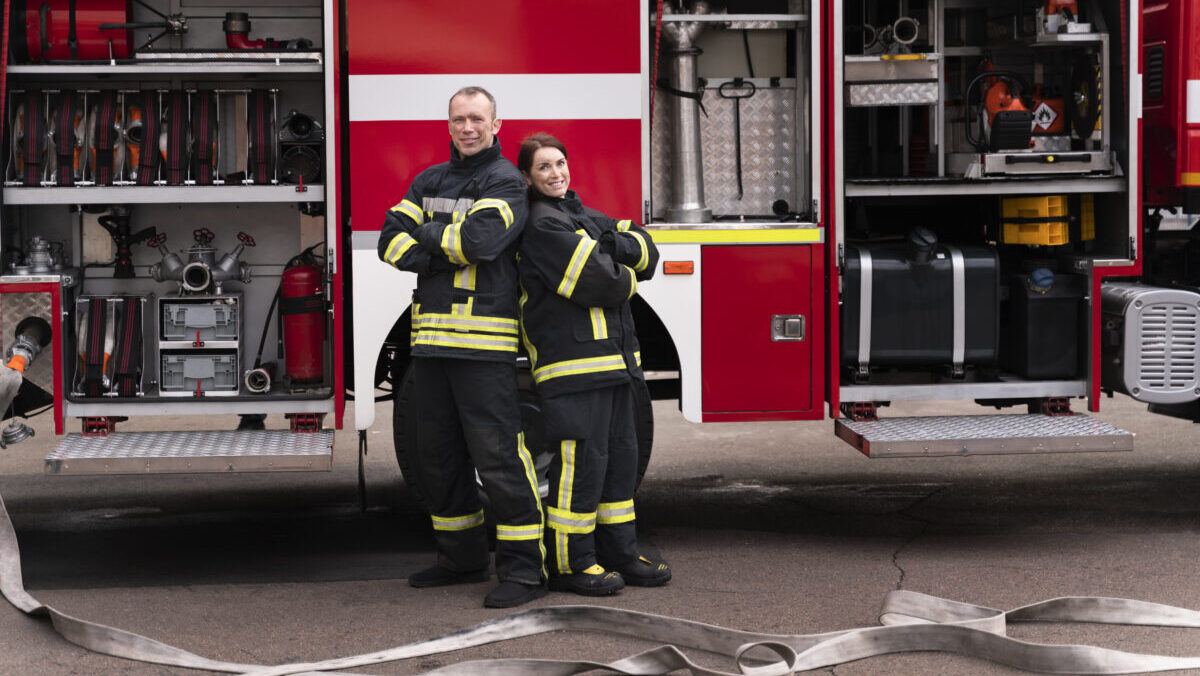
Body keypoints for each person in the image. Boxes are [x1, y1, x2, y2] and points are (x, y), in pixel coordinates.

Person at [377, 87, 545, 609]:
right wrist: (442, 243)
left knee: (498, 459)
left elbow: (481, 242)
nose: (467, 127)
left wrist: (428, 237)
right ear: (448, 125)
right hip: (429, 347)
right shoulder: (429, 179)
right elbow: (389, 241)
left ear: (497, 124)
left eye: (477, 118)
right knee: (436, 457)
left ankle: (522, 571)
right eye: (458, 119)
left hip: (485, 350)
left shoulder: (506, 181)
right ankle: (462, 557)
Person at [515, 132, 670, 596]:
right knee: (580, 470)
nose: (555, 173)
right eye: (543, 167)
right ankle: (571, 564)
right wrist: (619, 259)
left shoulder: (579, 214)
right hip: (573, 367)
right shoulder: (543, 225)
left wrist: (615, 248)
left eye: (560, 163)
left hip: (615, 364)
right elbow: (604, 283)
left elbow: (648, 250)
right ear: (528, 176)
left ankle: (619, 553)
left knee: (620, 462)